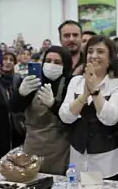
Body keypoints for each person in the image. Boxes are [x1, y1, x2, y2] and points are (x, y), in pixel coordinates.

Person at [59, 35, 118, 180]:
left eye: (100, 52)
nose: (94, 56)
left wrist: (95, 91)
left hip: (109, 163)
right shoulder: (75, 82)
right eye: (90, 51)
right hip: (78, 159)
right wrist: (84, 95)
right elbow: (65, 116)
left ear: (110, 59)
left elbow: (111, 118)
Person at [12, 46, 73, 175]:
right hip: (33, 144)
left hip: (59, 149)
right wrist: (20, 94)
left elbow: (71, 118)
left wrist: (53, 105)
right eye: (48, 60)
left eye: (57, 62)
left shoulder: (70, 83)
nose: (51, 65)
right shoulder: (32, 81)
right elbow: (13, 108)